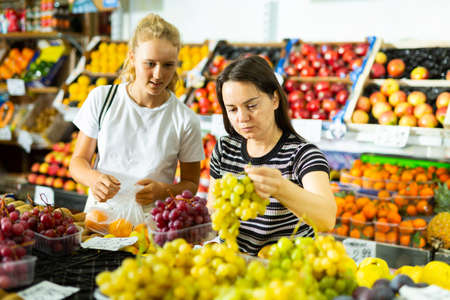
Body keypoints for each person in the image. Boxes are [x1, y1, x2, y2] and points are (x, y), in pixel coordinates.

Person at [70, 13, 204, 213]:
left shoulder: (185, 119)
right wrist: (94, 179)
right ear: (132, 58)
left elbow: (191, 184)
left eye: (168, 65)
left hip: (152, 229)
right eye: (150, 63)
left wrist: (164, 190)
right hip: (100, 221)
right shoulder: (103, 99)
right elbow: (78, 162)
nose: (159, 74)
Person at [208, 55, 336, 256]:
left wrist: (281, 188)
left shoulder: (303, 155)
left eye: (251, 106)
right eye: (232, 109)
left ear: (274, 99)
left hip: (284, 274)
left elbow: (327, 218)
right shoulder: (225, 148)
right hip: (232, 268)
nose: (242, 118)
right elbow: (214, 210)